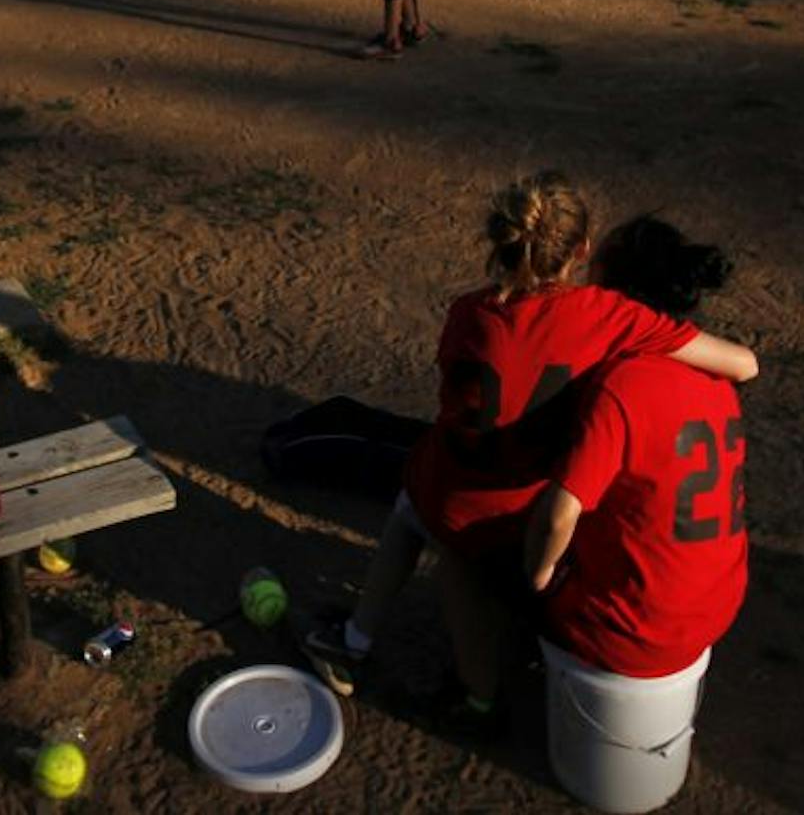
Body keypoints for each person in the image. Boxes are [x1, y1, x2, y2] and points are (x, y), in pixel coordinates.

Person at [305, 176, 759, 727]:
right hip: (539, 504)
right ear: (581, 250)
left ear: (499, 244)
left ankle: (354, 640)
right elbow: (744, 364)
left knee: (411, 510)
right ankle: (477, 657)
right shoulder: (613, 317)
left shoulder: (468, 313)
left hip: (468, 496)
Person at [525, 218, 748, 684]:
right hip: (716, 608)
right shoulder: (718, 378)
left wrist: (540, 575)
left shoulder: (621, 385)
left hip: (633, 633)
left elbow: (559, 515)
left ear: (614, 292)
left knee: (506, 556)